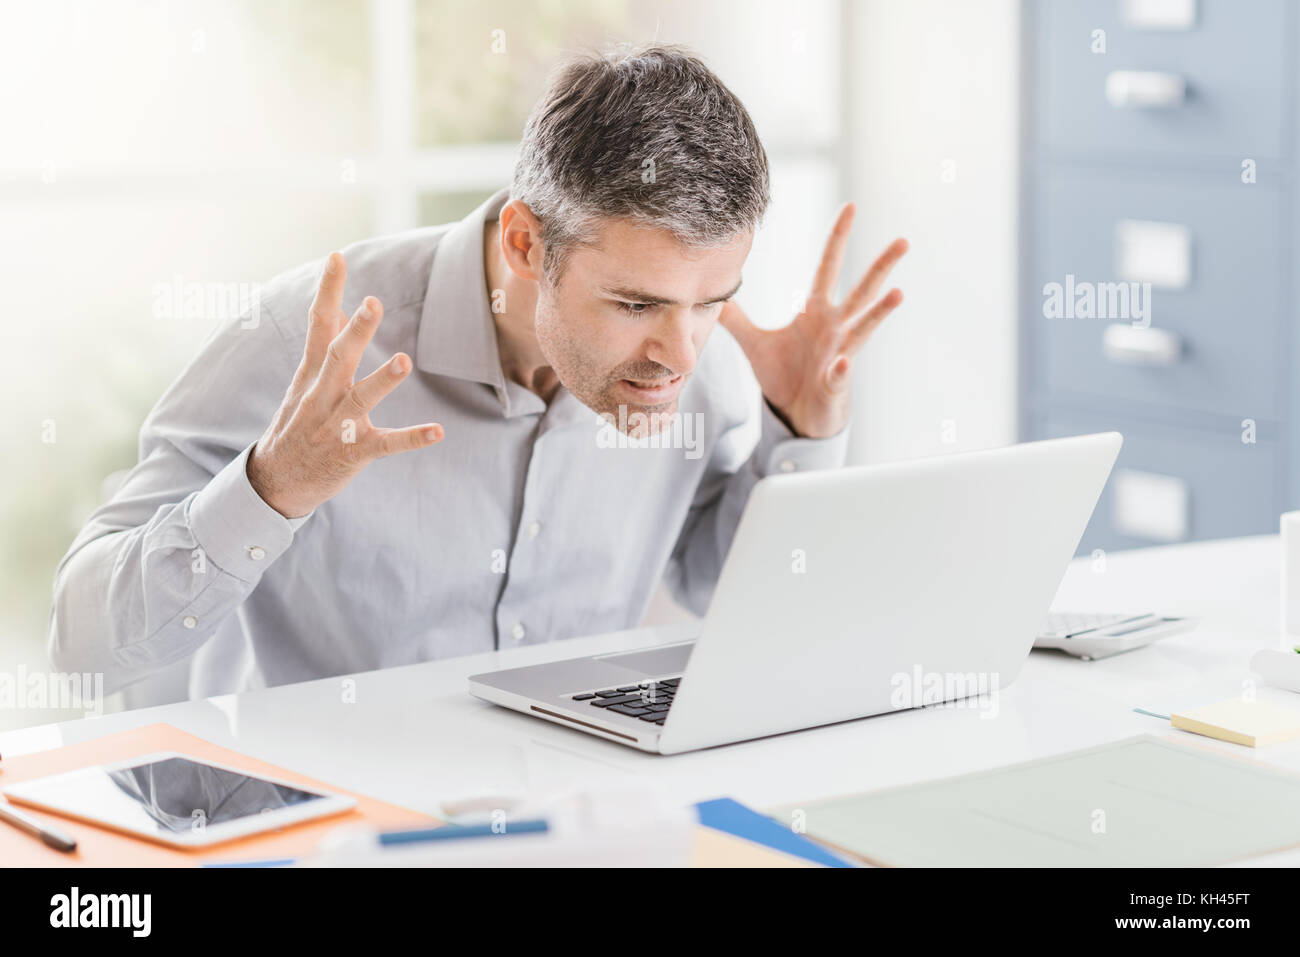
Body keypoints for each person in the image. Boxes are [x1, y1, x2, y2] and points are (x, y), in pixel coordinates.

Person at [49, 44, 907, 699]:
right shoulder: (302, 342)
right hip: (313, 831)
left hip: (569, 820)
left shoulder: (694, 364)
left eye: (716, 299)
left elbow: (718, 584)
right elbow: (80, 646)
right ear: (527, 244)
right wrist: (273, 487)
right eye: (636, 304)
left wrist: (797, 436)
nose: (682, 354)